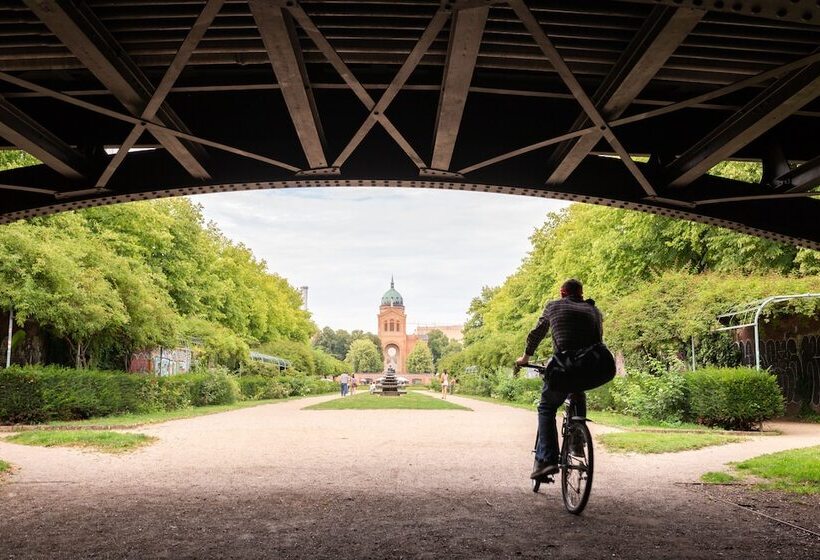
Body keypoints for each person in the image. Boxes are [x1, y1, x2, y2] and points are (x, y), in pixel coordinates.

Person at [515, 278, 603, 480]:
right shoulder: (594, 311)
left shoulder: (553, 306)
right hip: (592, 365)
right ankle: (578, 444)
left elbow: (536, 333)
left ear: (562, 293)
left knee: (546, 408)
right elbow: (598, 340)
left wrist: (525, 358)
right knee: (578, 389)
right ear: (581, 293)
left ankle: (547, 460)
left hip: (565, 366)